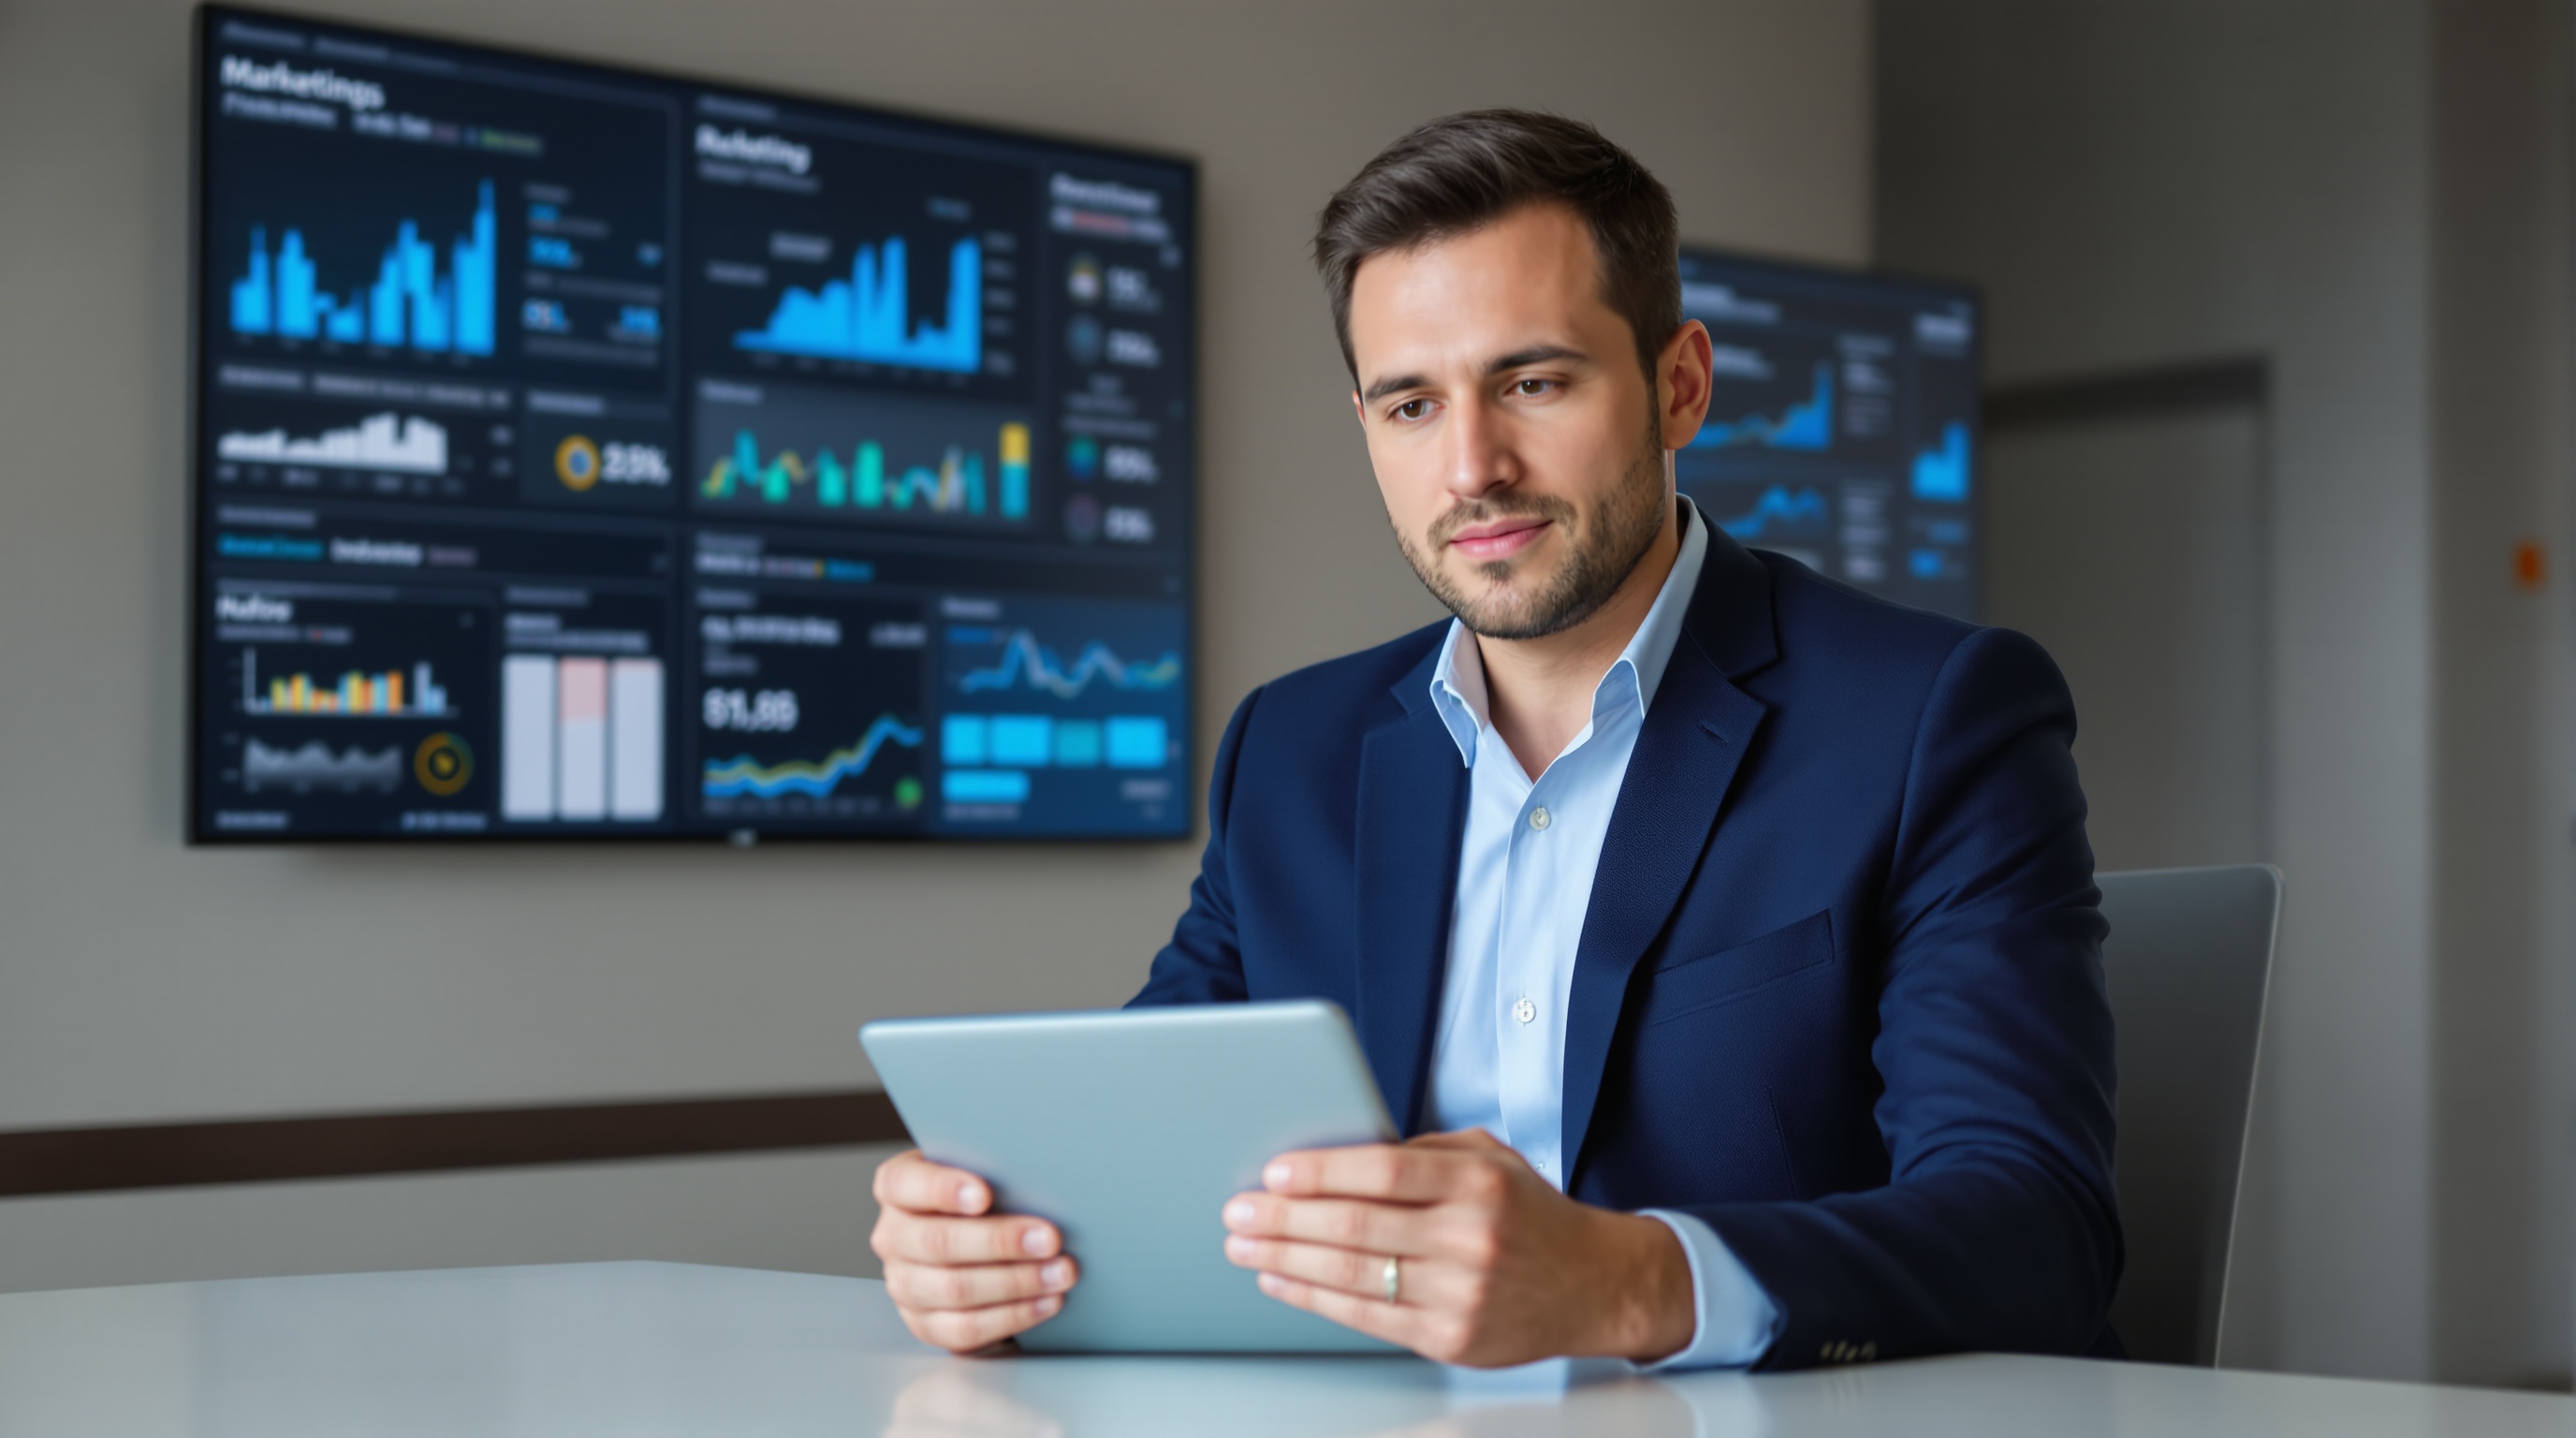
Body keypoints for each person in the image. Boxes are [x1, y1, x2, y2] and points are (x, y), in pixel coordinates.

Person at [870, 110, 2119, 1372]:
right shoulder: (1291, 752)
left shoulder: (1932, 718)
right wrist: (995, 1244)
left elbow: (2035, 1228)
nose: (1472, 466)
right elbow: (1137, 1154)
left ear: (1678, 384)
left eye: (1533, 382)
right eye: (1411, 404)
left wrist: (1632, 1281)